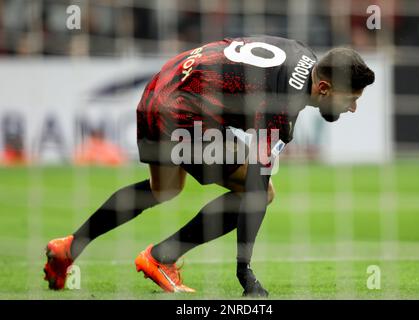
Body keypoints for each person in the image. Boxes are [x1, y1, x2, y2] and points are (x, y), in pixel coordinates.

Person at [43, 35, 375, 296]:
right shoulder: (282, 104)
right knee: (260, 190)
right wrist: (244, 270)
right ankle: (162, 257)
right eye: (352, 99)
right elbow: (257, 186)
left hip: (162, 87)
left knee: (164, 188)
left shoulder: (302, 54)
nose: (354, 108)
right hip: (183, 113)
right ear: (324, 88)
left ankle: (68, 247)